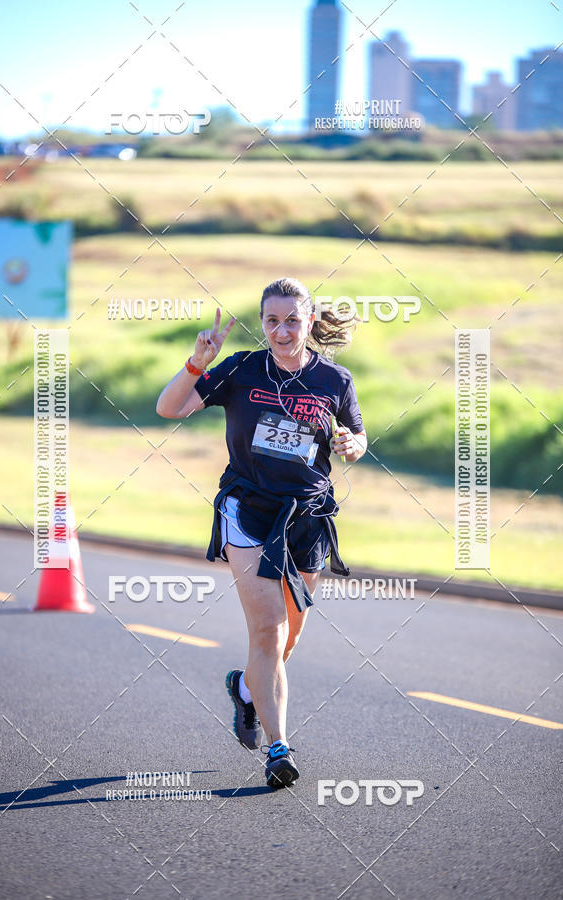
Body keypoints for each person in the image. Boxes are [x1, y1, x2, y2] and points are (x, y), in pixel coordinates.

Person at [156, 277, 367, 789]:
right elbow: (169, 408)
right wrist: (197, 363)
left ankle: (247, 691)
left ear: (310, 320)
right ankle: (278, 749)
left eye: (292, 319)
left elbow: (358, 435)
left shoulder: (334, 380)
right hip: (247, 510)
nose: (282, 330)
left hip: (308, 518)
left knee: (288, 636)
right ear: (262, 323)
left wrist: (351, 445)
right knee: (268, 630)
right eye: (272, 320)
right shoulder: (241, 369)